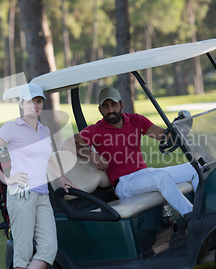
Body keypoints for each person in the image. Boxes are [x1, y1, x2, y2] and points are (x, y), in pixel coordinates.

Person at [0, 83, 77, 269]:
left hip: (42, 196)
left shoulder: (44, 130)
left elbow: (47, 160)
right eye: (30, 101)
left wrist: (61, 177)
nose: (35, 105)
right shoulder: (11, 127)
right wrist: (6, 178)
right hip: (20, 195)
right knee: (22, 251)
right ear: (21, 104)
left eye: (39, 101)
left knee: (49, 248)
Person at [62, 87, 198, 219]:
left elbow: (164, 137)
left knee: (194, 168)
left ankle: (203, 208)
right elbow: (66, 143)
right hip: (124, 183)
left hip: (144, 174)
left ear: (121, 105)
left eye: (114, 105)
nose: (110, 110)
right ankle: (192, 216)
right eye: (105, 106)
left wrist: (182, 126)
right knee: (161, 177)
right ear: (100, 109)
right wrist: (91, 154)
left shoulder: (135, 120)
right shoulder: (96, 130)